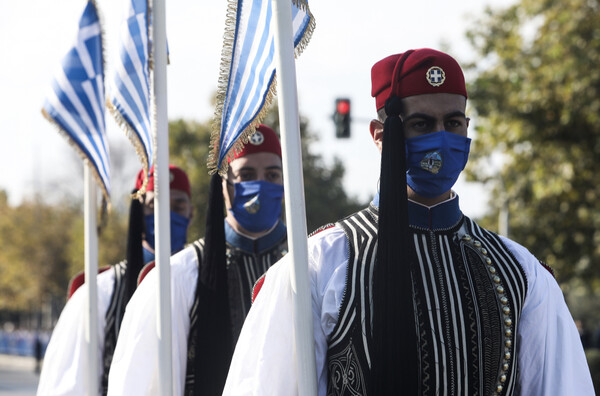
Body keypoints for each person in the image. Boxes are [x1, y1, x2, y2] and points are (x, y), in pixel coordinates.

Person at [223, 49, 595, 395]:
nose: (441, 138)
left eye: (453, 123)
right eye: (421, 124)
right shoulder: (322, 263)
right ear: (380, 135)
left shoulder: (520, 271)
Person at [107, 124, 287, 395]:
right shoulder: (180, 276)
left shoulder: (310, 264)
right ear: (225, 186)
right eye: (246, 175)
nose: (260, 185)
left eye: (272, 175)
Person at [37, 164, 193, 396]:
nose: (166, 215)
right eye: (155, 205)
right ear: (139, 213)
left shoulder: (200, 282)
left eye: (178, 205)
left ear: (192, 213)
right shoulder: (101, 293)